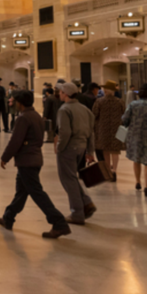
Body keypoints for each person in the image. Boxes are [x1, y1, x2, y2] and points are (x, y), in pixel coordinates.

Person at [0, 90, 71, 239]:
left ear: (20, 103)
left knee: (37, 193)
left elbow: (15, 141)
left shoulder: (23, 118)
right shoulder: (36, 115)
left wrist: (5, 157)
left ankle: (59, 222)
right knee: (22, 192)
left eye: (15, 101)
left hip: (27, 161)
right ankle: (8, 217)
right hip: (35, 159)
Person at [56, 82, 97, 225]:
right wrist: (90, 151)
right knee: (72, 178)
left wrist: (59, 148)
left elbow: (65, 132)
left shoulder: (64, 109)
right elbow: (91, 133)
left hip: (69, 148)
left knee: (67, 179)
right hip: (81, 147)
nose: (59, 94)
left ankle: (77, 213)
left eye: (60, 92)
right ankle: (86, 203)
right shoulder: (85, 109)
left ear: (65, 94)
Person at [122, 83, 147, 198]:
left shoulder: (133, 105)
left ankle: (137, 182)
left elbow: (125, 120)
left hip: (135, 137)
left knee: (137, 159)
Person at [92, 80, 125, 182]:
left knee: (105, 150)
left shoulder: (99, 101)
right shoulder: (120, 101)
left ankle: (108, 173)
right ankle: (114, 170)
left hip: (103, 129)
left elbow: (94, 114)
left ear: (106, 90)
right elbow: (124, 112)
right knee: (115, 151)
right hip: (117, 129)